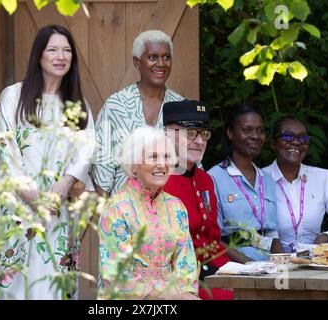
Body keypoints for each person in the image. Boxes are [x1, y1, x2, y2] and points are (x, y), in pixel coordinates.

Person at [0, 25, 95, 299]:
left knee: (54, 286)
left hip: (58, 212)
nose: (61, 56)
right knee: (15, 286)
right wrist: (33, 196)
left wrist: (65, 184)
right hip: (18, 211)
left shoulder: (77, 104)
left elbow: (86, 150)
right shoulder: (13, 96)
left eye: (67, 50)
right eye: (53, 49)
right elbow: (3, 148)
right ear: (38, 56)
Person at [97, 126, 199, 300]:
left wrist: (187, 294)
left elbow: (186, 263)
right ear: (134, 165)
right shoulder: (116, 208)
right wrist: (170, 297)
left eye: (166, 157)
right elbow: (117, 274)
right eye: (153, 156)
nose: (162, 164)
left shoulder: (176, 207)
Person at [91, 29, 184, 196]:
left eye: (166, 57)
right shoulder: (116, 105)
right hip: (124, 210)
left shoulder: (181, 106)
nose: (161, 64)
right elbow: (102, 164)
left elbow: (190, 165)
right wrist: (107, 213)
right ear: (137, 62)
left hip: (170, 211)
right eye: (152, 57)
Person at [162, 100, 233, 300]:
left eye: (204, 134)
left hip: (211, 270)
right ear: (168, 133)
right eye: (190, 133)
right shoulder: (156, 180)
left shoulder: (205, 180)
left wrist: (238, 272)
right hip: (177, 282)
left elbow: (211, 239)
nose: (200, 141)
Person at [208, 104, 284, 262]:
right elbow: (214, 238)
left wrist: (283, 267)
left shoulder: (267, 180)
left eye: (260, 130)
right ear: (230, 133)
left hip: (268, 266)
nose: (255, 136)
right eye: (247, 130)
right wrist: (249, 266)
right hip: (234, 267)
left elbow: (272, 235)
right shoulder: (214, 178)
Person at [263, 116, 328, 252]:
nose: (296, 142)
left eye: (303, 138)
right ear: (273, 144)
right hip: (272, 264)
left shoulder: (323, 178)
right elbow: (248, 232)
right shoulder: (260, 179)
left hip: (316, 263)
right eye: (288, 137)